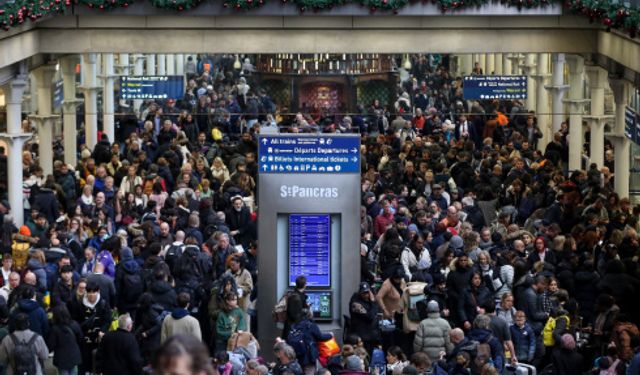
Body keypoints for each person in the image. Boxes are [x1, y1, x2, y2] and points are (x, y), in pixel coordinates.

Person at [47, 305, 83, 375]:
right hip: (74, 356)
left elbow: (51, 345)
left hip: (61, 359)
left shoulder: (55, 329)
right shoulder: (75, 324)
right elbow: (80, 338)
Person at [348, 282, 380, 353]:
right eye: (364, 293)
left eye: (367, 292)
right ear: (360, 293)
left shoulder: (369, 301)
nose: (366, 295)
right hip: (362, 337)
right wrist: (373, 302)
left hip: (371, 335)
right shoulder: (356, 304)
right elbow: (370, 317)